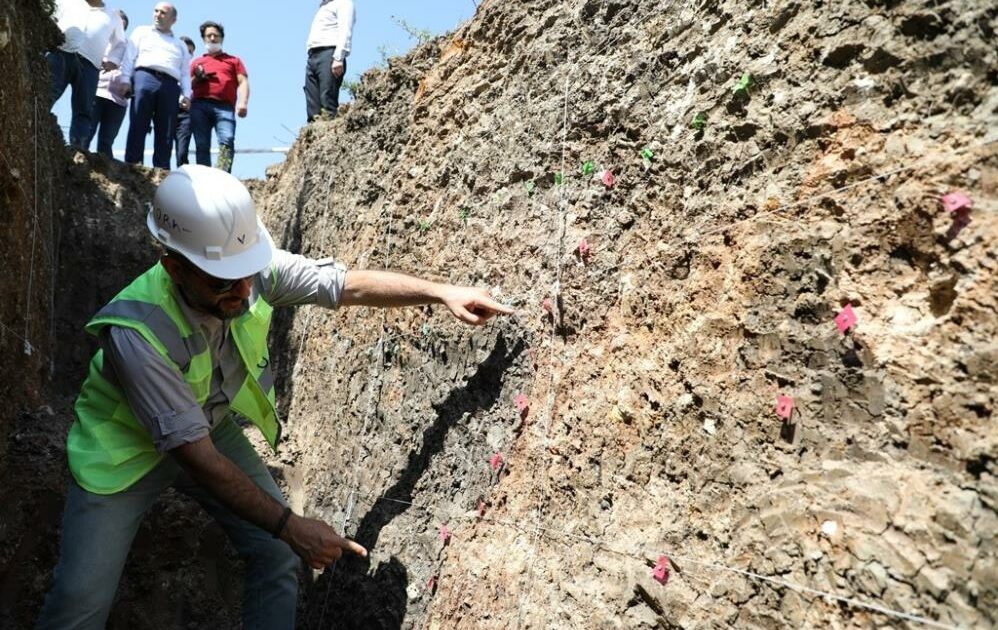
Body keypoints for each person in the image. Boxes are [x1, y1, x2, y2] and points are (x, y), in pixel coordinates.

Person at [34, 165, 513, 630]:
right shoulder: (135, 331)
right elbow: (194, 455)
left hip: (209, 428)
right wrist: (290, 524)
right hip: (124, 454)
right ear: (175, 268)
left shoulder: (250, 271)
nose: (243, 292)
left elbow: (346, 285)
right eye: (223, 283)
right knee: (80, 602)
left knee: (278, 558)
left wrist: (440, 291)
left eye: (247, 274)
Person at [119, 2, 192, 169]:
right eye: (156, 11)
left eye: (163, 12)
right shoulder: (141, 32)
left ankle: (162, 169)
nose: (158, 15)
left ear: (173, 19)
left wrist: (186, 94)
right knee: (138, 122)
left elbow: (185, 73)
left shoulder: (180, 45)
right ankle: (133, 165)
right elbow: (129, 57)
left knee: (166, 128)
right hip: (144, 78)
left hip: (170, 85)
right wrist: (124, 80)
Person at [48, 0, 126, 148]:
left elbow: (120, 43)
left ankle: (78, 149)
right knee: (45, 96)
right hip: (60, 54)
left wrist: (113, 60)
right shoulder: (66, 2)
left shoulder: (113, 15)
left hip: (90, 65)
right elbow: (49, 18)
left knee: (83, 110)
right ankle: (32, 133)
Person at [189, 21, 250, 172]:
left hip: (225, 107)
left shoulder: (233, 61)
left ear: (222, 38)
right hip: (199, 106)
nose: (212, 38)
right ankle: (204, 175)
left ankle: (223, 174)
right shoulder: (196, 62)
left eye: (215, 35)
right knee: (202, 144)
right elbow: (187, 85)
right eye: (208, 35)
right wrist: (197, 77)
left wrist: (243, 102)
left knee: (227, 140)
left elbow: (243, 82)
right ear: (203, 39)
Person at [85, 9, 129, 158]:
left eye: (122, 25)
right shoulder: (99, 41)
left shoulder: (130, 48)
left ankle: (106, 174)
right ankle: (77, 165)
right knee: (86, 133)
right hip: (96, 93)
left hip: (118, 101)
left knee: (106, 141)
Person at [304, 0, 355, 122]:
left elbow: (345, 30)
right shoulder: (323, 7)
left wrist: (338, 58)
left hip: (329, 54)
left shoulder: (343, 3)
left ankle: (329, 132)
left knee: (327, 99)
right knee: (312, 102)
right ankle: (313, 135)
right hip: (313, 55)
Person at [174, 36, 196, 166]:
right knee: (163, 147)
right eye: (186, 51)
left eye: (191, 52)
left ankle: (183, 175)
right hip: (167, 110)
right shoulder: (167, 67)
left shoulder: (194, 70)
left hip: (186, 113)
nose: (189, 55)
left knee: (182, 152)